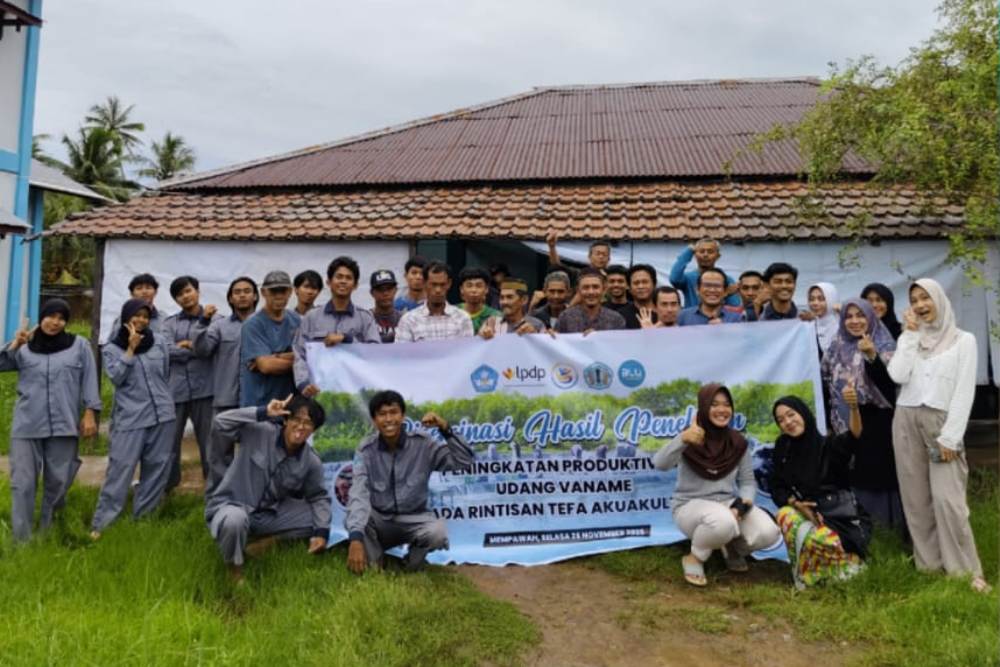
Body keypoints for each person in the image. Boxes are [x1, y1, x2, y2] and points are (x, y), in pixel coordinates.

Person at [887, 279, 989, 593]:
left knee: (949, 501)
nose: (920, 305)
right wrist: (909, 335)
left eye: (925, 298)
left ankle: (965, 572)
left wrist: (951, 436)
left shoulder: (963, 340)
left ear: (939, 300)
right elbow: (897, 375)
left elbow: (963, 391)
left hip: (941, 423)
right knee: (916, 500)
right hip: (905, 419)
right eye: (914, 300)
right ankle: (929, 566)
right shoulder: (912, 338)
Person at [653, 384, 780, 587]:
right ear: (703, 407)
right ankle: (695, 557)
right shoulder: (690, 436)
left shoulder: (737, 442)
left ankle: (731, 549)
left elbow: (747, 481)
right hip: (689, 506)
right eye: (714, 404)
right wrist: (682, 439)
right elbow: (660, 464)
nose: (722, 410)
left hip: (727, 504)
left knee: (769, 532)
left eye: (727, 404)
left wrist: (742, 505)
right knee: (723, 522)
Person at [0, 299, 101, 541]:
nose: (55, 322)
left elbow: (89, 379)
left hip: (64, 424)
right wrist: (14, 344)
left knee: (58, 482)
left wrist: (90, 412)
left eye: (61, 318)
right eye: (50, 316)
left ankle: (48, 532)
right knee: (22, 483)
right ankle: (22, 540)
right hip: (27, 425)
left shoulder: (79, 346)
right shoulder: (24, 345)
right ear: (41, 316)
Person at [205, 394, 331, 583]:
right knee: (234, 521)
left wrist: (321, 534)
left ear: (314, 430)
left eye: (308, 423)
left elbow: (318, 497)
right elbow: (220, 423)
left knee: (319, 518)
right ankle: (235, 571)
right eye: (297, 419)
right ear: (286, 420)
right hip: (234, 506)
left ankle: (268, 543)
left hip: (268, 514)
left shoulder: (311, 461)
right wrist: (263, 412)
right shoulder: (260, 431)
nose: (301, 427)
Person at [345, 390, 474, 573]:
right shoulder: (366, 450)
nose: (389, 419)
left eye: (394, 412)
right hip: (380, 519)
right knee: (358, 520)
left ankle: (411, 563)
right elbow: (358, 492)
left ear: (403, 416)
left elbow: (463, 461)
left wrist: (445, 429)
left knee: (437, 532)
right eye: (382, 414)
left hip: (414, 518)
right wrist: (355, 538)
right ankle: (376, 561)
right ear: (374, 420)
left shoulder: (424, 444)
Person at [91, 299, 176, 538]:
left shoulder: (159, 342)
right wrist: (130, 349)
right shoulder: (111, 347)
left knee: (157, 468)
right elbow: (116, 378)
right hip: (131, 418)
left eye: (145, 316)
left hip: (163, 415)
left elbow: (165, 373)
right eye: (136, 316)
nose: (141, 320)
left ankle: (144, 520)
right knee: (120, 469)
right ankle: (102, 524)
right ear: (126, 317)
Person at [769, 393, 872, 589]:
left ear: (803, 413)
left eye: (791, 415)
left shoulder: (828, 446)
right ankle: (811, 575)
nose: (788, 422)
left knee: (824, 540)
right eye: (781, 420)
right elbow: (776, 486)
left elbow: (854, 436)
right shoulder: (783, 448)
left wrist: (853, 408)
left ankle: (849, 563)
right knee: (785, 515)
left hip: (838, 518)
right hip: (806, 514)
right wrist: (796, 504)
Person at [821, 299, 903, 533]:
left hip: (878, 420)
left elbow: (890, 385)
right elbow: (826, 381)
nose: (854, 321)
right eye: (849, 316)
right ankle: (856, 529)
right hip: (843, 421)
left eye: (860, 315)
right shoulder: (836, 346)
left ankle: (886, 530)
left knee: (877, 475)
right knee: (849, 472)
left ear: (870, 318)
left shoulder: (884, 343)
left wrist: (871, 356)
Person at [191, 276, 259, 494]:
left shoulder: (265, 324)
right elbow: (202, 350)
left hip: (256, 400)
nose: (242, 295)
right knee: (219, 455)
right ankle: (219, 498)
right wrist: (202, 321)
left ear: (256, 296)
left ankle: (252, 496)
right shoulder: (219, 326)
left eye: (247, 291)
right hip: (225, 400)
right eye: (237, 291)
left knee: (257, 452)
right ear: (230, 298)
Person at [162, 275, 220, 491]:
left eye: (188, 291)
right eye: (179, 294)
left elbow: (211, 348)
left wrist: (188, 345)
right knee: (169, 443)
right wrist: (196, 348)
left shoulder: (215, 320)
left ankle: (213, 489)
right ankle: (167, 486)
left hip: (206, 390)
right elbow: (166, 351)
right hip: (175, 391)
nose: (185, 297)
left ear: (197, 291)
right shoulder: (169, 323)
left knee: (209, 443)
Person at [294, 256, 381, 398]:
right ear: (329, 282)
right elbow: (300, 354)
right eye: (339, 277)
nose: (343, 281)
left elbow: (375, 352)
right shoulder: (312, 317)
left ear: (355, 285)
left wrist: (347, 340)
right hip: (318, 392)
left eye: (348, 278)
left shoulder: (365, 318)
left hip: (357, 393)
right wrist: (303, 384)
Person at [239, 271, 301, 407]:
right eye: (273, 291)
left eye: (283, 291)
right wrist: (299, 361)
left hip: (288, 403)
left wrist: (275, 356)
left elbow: (308, 354)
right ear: (263, 292)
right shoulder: (253, 324)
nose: (278, 296)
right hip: (260, 405)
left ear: (290, 292)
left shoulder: (296, 320)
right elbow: (267, 366)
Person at [395, 261, 474, 342]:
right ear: (424, 283)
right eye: (433, 284)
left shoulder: (462, 318)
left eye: (442, 285)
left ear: (449, 284)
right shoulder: (409, 320)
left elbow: (467, 352)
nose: (438, 290)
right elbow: (402, 353)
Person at [669, 239, 740, 308]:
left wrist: (726, 294)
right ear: (695, 255)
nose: (705, 255)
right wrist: (688, 252)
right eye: (701, 251)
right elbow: (674, 279)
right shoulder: (688, 278)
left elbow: (734, 306)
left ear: (718, 256)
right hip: (691, 318)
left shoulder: (726, 279)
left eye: (710, 252)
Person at [556, 268, 626, 333]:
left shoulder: (616, 319)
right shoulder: (566, 317)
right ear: (578, 290)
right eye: (586, 287)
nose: (591, 292)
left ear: (604, 290)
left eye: (595, 287)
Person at [105, 273, 163, 341]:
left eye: (148, 288)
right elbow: (112, 344)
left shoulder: (163, 319)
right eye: (139, 288)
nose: (144, 291)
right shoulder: (122, 319)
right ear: (132, 294)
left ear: (155, 292)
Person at [480, 279, 545, 338]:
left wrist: (534, 335)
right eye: (501, 298)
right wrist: (483, 336)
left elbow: (544, 348)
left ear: (524, 300)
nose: (504, 302)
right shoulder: (491, 323)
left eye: (510, 297)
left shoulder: (537, 325)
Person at [677, 269, 744, 326]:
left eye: (717, 286)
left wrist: (725, 330)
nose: (712, 290)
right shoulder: (683, 317)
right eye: (707, 285)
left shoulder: (737, 319)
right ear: (697, 290)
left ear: (725, 291)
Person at [457, 267, 501, 334]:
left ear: (486, 289)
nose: (474, 290)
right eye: (469, 286)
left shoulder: (496, 316)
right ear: (461, 289)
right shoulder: (450, 313)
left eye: (479, 286)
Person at [546, 232, 611, 275]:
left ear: (609, 258)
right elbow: (557, 267)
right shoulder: (580, 274)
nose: (601, 257)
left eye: (604, 254)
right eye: (598, 254)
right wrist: (552, 247)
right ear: (589, 256)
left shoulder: (613, 278)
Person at [804, 282, 840, 353]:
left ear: (831, 300)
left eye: (821, 299)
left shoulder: (843, 326)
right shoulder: (808, 327)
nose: (815, 303)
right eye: (811, 299)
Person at [619, 264, 658, 329]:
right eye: (636, 283)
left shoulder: (666, 311)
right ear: (629, 287)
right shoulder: (620, 316)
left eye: (645, 282)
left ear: (654, 284)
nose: (641, 286)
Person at [369, 269, 402, 343]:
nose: (385, 293)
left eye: (389, 289)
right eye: (380, 290)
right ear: (372, 293)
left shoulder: (404, 319)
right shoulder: (366, 319)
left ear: (395, 290)